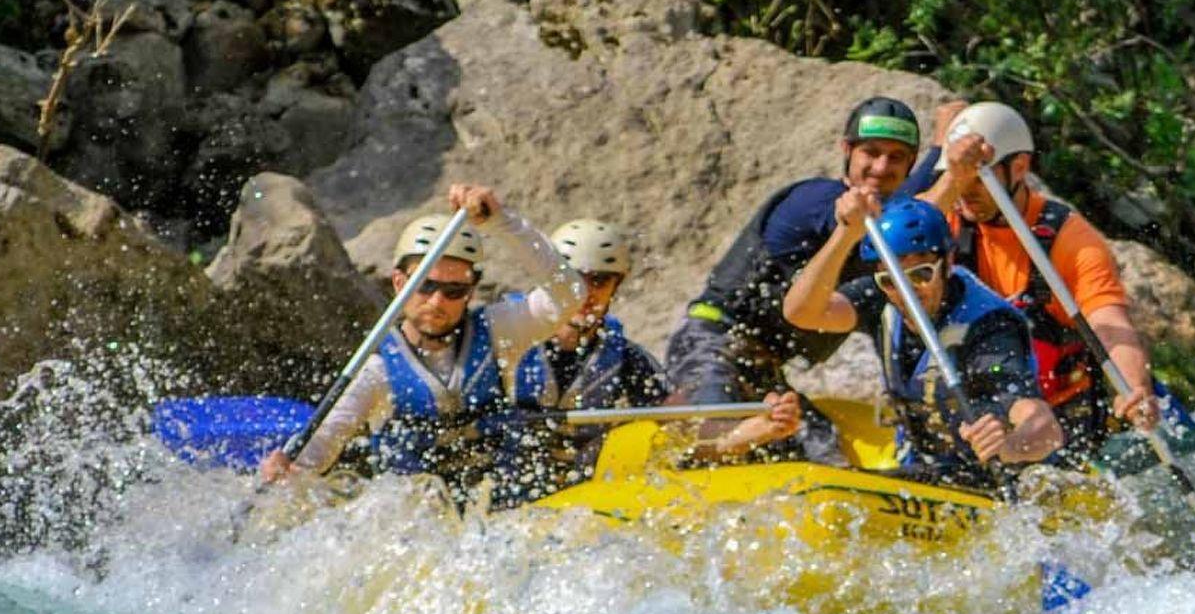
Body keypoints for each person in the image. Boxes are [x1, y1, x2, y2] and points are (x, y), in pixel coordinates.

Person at [258, 183, 582, 497]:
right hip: (419, 518)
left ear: (470, 292)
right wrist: (287, 467)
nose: (437, 301)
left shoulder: (500, 333)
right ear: (399, 283)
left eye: (454, 291)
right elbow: (318, 450)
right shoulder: (377, 371)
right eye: (425, 285)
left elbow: (570, 293)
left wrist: (501, 222)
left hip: (496, 508)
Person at [663, 97, 922, 459]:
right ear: (847, 150)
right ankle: (727, 437)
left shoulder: (895, 235)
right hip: (710, 341)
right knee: (712, 435)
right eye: (871, 152)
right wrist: (946, 166)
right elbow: (884, 216)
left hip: (763, 371)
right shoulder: (815, 200)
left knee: (824, 449)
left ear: (910, 164)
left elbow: (916, 217)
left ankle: (755, 435)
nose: (881, 166)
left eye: (896, 157)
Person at [907, 101, 1157, 466]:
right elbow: (892, 239)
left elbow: (1110, 325)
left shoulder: (1071, 241)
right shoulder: (943, 220)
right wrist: (952, 178)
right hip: (978, 411)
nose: (966, 190)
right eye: (959, 177)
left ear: (1020, 167)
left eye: (979, 176)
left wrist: (1134, 386)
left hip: (1056, 422)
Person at [782, 195, 1063, 491]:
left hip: (993, 479)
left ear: (948, 262)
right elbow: (800, 312)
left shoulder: (989, 328)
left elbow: (1045, 427)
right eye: (891, 280)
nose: (907, 291)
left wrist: (1010, 445)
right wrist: (845, 233)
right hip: (925, 466)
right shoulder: (881, 295)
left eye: (921, 274)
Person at [513, 220, 798, 486]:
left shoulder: (627, 361)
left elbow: (687, 437)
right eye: (573, 278)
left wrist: (758, 429)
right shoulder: (506, 338)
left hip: (573, 495)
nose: (585, 292)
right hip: (506, 489)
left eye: (599, 281)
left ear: (615, 287)